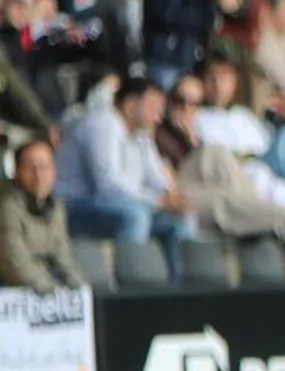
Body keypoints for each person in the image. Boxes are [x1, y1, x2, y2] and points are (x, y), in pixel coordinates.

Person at [54, 77, 197, 280]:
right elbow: (107, 186)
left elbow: (156, 179)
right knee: (135, 215)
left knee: (181, 220)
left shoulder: (142, 135)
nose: (158, 117)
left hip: (113, 206)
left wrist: (172, 198)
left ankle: (178, 292)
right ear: (130, 106)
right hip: (72, 207)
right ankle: (132, 291)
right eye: (153, 108)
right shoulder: (103, 123)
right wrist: (158, 201)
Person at [0, 139, 84, 291]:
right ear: (17, 171)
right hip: (12, 287)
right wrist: (49, 288)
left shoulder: (55, 206)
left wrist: (79, 287)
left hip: (43, 282)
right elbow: (13, 259)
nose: (38, 175)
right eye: (31, 168)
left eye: (44, 167)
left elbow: (62, 254)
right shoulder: (6, 204)